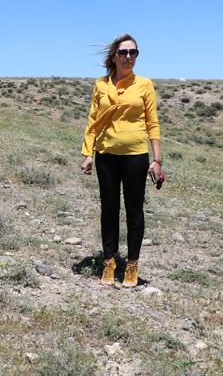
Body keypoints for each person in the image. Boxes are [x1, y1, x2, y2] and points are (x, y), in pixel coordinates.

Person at [80, 33, 163, 288]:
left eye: (134, 53)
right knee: (109, 210)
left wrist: (157, 159)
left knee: (134, 212)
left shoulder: (144, 84)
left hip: (136, 156)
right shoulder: (100, 85)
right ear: (114, 57)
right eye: (124, 53)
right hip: (106, 156)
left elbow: (152, 122)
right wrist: (87, 153)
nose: (129, 57)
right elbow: (93, 121)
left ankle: (132, 265)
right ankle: (109, 262)